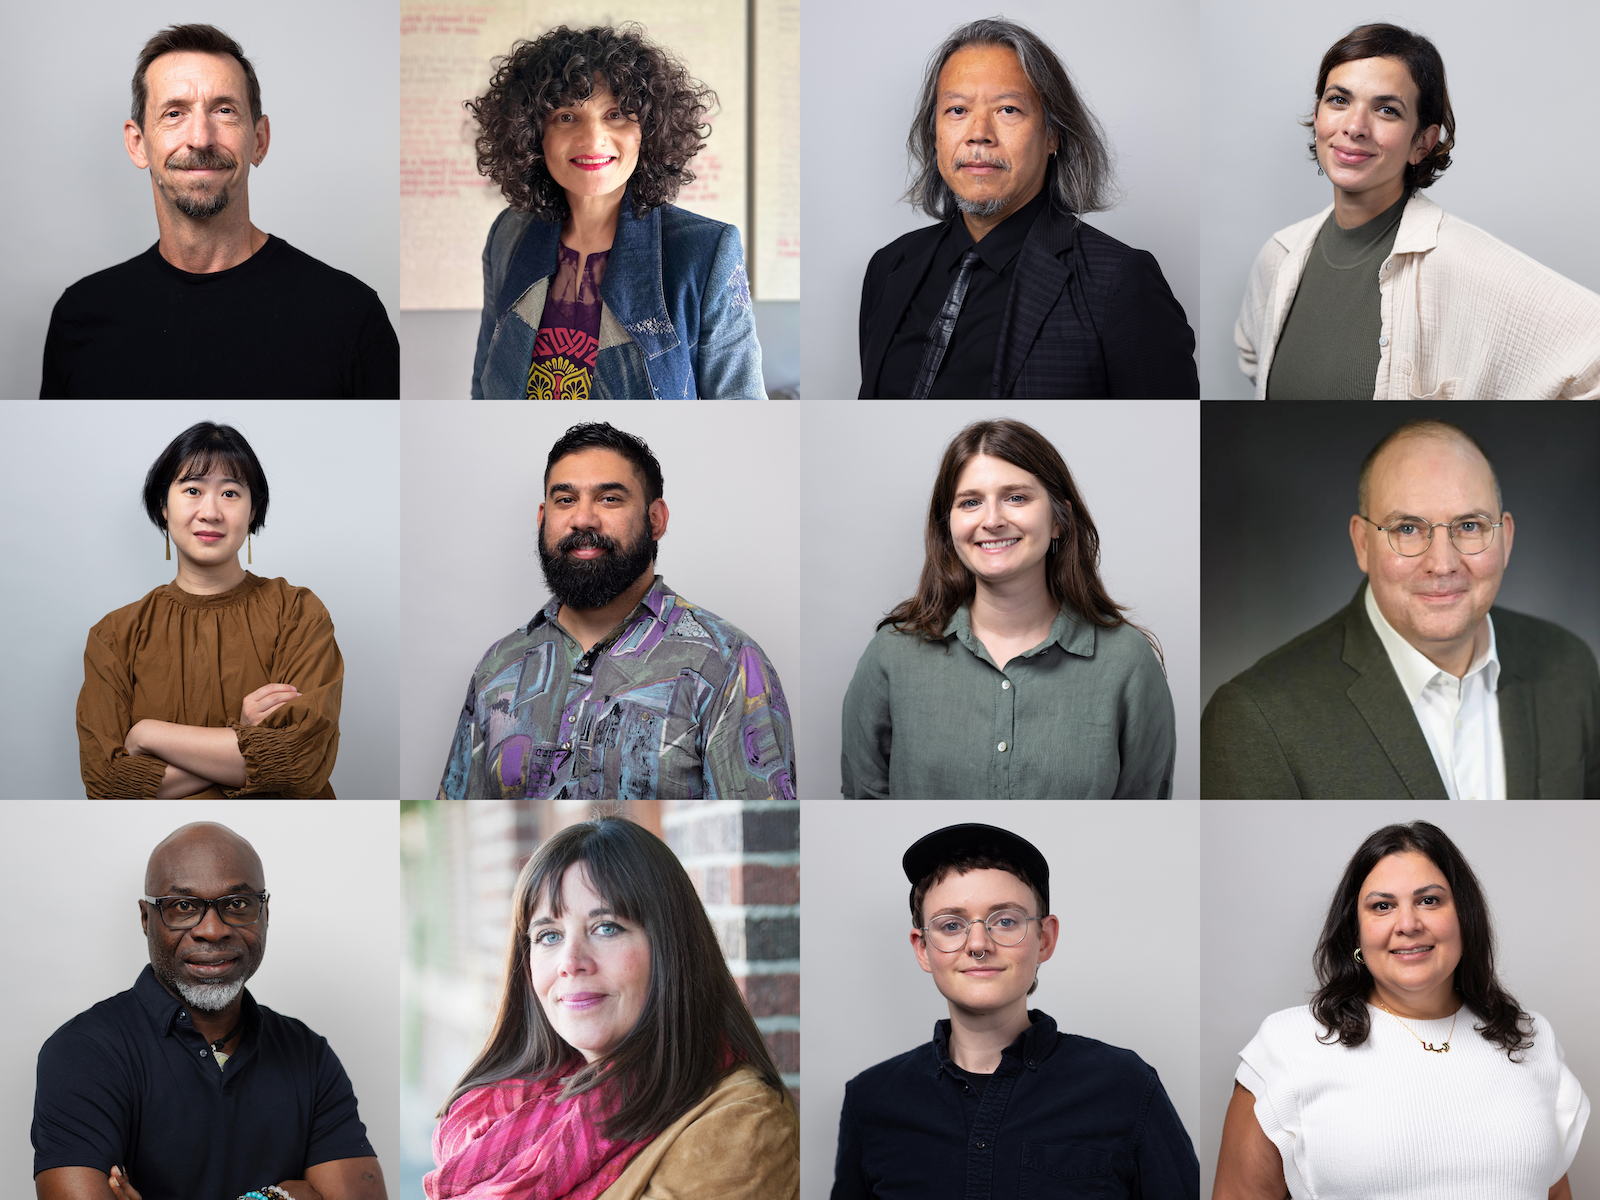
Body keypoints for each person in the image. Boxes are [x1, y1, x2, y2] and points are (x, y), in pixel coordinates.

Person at [1201, 419, 1600, 798]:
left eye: (1469, 526)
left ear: (1505, 539)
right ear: (1362, 543)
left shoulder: (1571, 667)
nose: (1442, 564)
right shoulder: (1255, 719)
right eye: (1407, 529)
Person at [427, 816, 797, 1199]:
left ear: (670, 947)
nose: (570, 961)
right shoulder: (499, 1111)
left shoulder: (741, 1120)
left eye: (606, 928)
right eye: (548, 935)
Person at [1215, 821, 1586, 1200]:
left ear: (1464, 918)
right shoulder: (1285, 1046)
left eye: (1429, 900)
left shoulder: (1531, 1038)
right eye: (1382, 906)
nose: (1408, 924)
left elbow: (1554, 1193)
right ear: (1355, 933)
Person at [832, 822, 1197, 1200]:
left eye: (1005, 921)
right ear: (923, 948)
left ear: (1045, 939)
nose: (978, 944)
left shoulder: (1126, 1086)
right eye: (951, 924)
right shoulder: (870, 1099)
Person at [1235, 23, 1600, 400]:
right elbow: (1255, 361)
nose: (1355, 127)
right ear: (1317, 115)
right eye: (1339, 100)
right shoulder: (1279, 256)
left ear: (1422, 143)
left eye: (1387, 110)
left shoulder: (1460, 261)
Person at [40, 24, 399, 399]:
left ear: (259, 141)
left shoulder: (349, 315)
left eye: (224, 110)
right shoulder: (80, 315)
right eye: (174, 113)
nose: (200, 137)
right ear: (138, 144)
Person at [438, 421, 793, 798]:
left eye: (609, 498)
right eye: (565, 500)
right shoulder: (497, 666)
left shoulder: (728, 664)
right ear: (543, 519)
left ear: (655, 519)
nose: (583, 519)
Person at [32, 822, 385, 1200]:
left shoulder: (309, 1054)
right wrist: (280, 1197)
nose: (213, 930)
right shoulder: (83, 1053)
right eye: (183, 906)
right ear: (146, 919)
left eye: (237, 904)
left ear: (265, 913)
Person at [857, 18, 1196, 399]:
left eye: (1007, 110)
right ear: (934, 134)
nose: (978, 132)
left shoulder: (1120, 282)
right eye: (956, 110)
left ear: (1053, 134)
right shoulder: (889, 268)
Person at [840, 418, 1173, 798]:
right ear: (949, 525)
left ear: (1058, 521)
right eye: (970, 502)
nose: (993, 520)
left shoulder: (1127, 662)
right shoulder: (891, 655)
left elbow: (1143, 808)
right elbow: (863, 799)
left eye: (1016, 497)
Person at [469, 25, 764, 399]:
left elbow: (742, 413)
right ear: (532, 134)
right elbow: (484, 385)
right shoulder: (508, 234)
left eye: (616, 114)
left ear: (650, 130)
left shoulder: (706, 252)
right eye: (565, 116)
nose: (593, 139)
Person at [76, 421, 343, 798]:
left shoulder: (298, 613)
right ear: (163, 507)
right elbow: (107, 787)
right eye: (192, 490)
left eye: (231, 493)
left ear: (253, 511)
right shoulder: (113, 636)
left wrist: (148, 735)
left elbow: (300, 762)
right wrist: (248, 738)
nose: (211, 511)